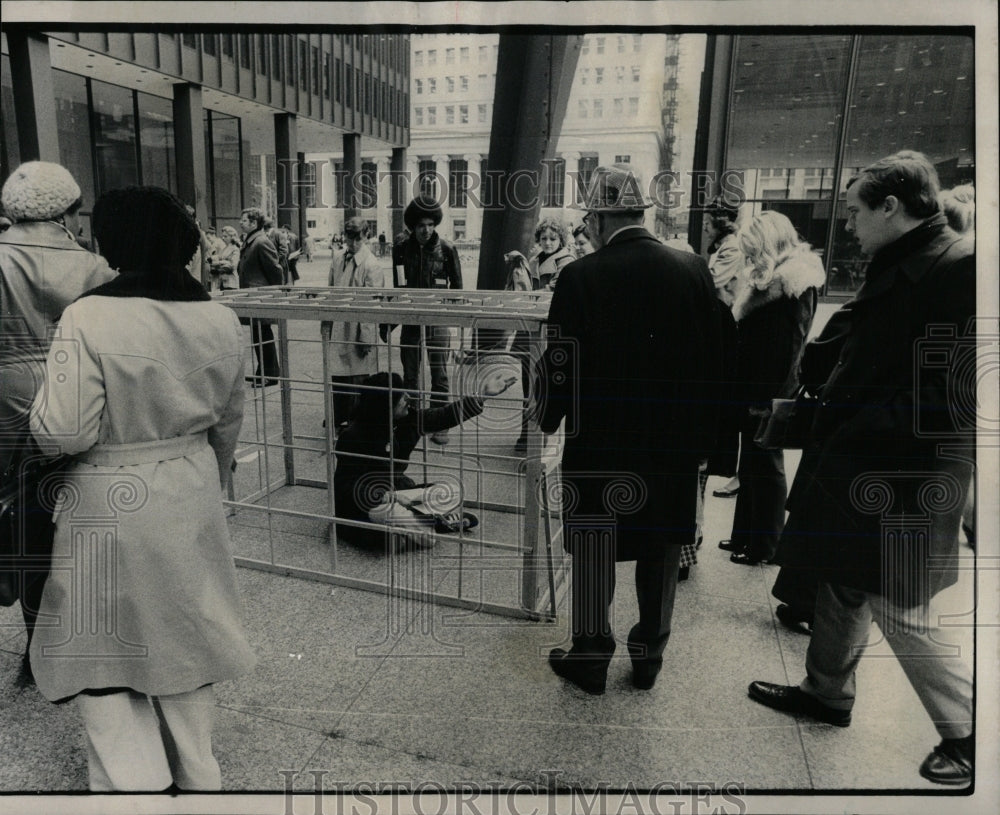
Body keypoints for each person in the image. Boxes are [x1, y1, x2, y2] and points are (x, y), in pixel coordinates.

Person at [747, 150, 976, 786]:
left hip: (907, 475)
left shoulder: (960, 267)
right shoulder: (912, 260)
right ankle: (826, 693)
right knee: (843, 580)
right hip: (872, 463)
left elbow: (955, 394)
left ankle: (970, 730)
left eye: (854, 210)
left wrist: (855, 421)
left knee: (901, 606)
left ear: (890, 207)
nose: (847, 223)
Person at [28, 186, 255, 791]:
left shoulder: (88, 315)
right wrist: (213, 479)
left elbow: (64, 430)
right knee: (185, 632)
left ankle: (134, 784)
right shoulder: (221, 317)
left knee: (102, 643)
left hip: (106, 492)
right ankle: (197, 773)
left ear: (113, 242)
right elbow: (229, 422)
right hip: (190, 484)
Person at [538, 163, 722, 694]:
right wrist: (707, 445)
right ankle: (649, 658)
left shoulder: (579, 276)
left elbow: (560, 361)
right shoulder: (693, 270)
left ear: (598, 218)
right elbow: (716, 362)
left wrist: (546, 417)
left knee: (596, 542)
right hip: (672, 445)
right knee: (661, 546)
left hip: (600, 441)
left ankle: (592, 656)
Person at [0, 161, 115, 679]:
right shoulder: (93, 266)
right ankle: (59, 637)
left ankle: (28, 636)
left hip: (3, 391)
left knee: (18, 509)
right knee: (65, 513)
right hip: (71, 388)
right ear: (69, 209)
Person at [719, 211, 825, 566]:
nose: (749, 259)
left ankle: (764, 544)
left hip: (769, 388)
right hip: (758, 384)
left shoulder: (794, 281)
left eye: (752, 252)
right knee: (752, 460)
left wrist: (772, 398)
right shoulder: (777, 279)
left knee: (765, 463)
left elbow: (791, 347)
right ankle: (747, 536)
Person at [333, 370, 514, 548]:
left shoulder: (409, 419)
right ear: (385, 405)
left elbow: (445, 415)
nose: (407, 398)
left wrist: (482, 395)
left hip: (400, 491)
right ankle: (424, 526)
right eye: (400, 396)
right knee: (425, 537)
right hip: (371, 505)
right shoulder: (353, 436)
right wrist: (389, 497)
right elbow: (345, 488)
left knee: (452, 491)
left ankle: (412, 528)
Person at [394, 195, 463, 445]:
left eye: (431, 224)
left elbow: (458, 289)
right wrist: (390, 321)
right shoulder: (401, 249)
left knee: (440, 375)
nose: (426, 230)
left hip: (438, 320)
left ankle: (440, 425)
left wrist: (451, 319)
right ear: (413, 225)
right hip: (411, 319)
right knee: (410, 374)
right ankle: (412, 422)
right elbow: (397, 287)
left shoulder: (446, 250)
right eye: (421, 225)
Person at [325, 217, 390, 428]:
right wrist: (326, 321)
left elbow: (372, 305)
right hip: (338, 323)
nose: (352, 243)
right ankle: (338, 415)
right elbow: (329, 290)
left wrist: (367, 337)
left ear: (366, 237)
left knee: (358, 376)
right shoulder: (337, 258)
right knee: (337, 371)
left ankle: (355, 421)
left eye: (357, 239)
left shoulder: (371, 265)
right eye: (348, 238)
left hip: (357, 327)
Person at [703, 194, 744, 499]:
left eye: (707, 222)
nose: (704, 228)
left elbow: (713, 282)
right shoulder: (722, 246)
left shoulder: (732, 248)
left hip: (724, 321)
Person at [237, 207, 284, 386]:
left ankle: (269, 375)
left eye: (244, 220)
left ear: (254, 223)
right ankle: (263, 371)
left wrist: (271, 293)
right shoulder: (251, 240)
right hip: (253, 297)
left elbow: (275, 271)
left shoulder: (261, 242)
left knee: (263, 335)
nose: (241, 223)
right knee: (259, 335)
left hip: (260, 297)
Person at [207, 225, 241, 292]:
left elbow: (233, 265)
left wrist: (218, 264)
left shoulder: (235, 249)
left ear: (232, 237)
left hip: (231, 282)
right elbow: (219, 257)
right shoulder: (225, 248)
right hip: (222, 281)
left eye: (225, 236)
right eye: (223, 236)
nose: (223, 238)